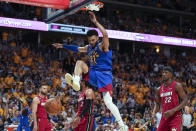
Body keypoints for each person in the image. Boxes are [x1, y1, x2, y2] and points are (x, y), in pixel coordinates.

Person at [53, 11, 128, 131]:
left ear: (97, 38)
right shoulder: (88, 47)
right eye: (90, 40)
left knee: (108, 102)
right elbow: (77, 49)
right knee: (79, 63)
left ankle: (122, 124)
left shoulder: (102, 46)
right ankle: (76, 82)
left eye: (93, 40)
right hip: (93, 73)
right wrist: (63, 46)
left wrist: (95, 22)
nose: (91, 42)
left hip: (104, 75)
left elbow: (106, 35)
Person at [152, 66, 188, 131]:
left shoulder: (177, 86)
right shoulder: (159, 89)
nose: (163, 74)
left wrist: (173, 110)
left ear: (171, 74)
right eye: (163, 73)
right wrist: (153, 113)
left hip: (175, 117)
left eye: (166, 73)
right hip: (164, 117)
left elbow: (185, 100)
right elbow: (157, 103)